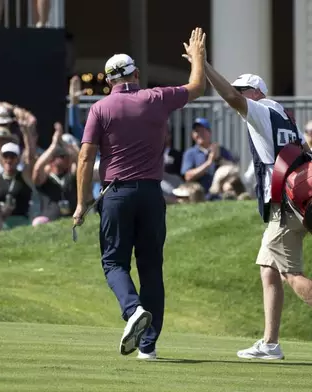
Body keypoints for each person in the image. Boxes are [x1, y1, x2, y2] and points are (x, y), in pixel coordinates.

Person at [72, 28, 207, 360]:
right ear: (136, 74)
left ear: (109, 81)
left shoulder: (100, 109)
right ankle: (148, 346)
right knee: (151, 268)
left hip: (116, 194)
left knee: (114, 261)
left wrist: (80, 203)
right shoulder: (156, 97)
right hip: (151, 194)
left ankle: (132, 310)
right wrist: (197, 57)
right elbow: (197, 86)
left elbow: (86, 157)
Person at [195, 53, 312, 361]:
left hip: (285, 206)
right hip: (298, 200)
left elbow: (231, 97)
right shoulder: (286, 116)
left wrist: (203, 65)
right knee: (268, 268)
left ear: (257, 93)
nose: (237, 96)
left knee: (290, 273)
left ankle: (271, 345)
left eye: (243, 90)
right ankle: (270, 343)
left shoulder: (260, 111)